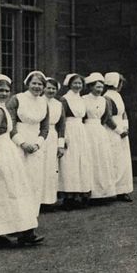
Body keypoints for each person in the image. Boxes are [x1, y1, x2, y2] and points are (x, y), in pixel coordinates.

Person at [0, 74, 43, 247]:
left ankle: (23, 232)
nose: (4, 93)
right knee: (1, 193)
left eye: (6, 90)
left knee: (12, 191)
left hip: (5, 153)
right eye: (0, 90)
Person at [6, 71, 49, 211]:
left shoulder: (44, 102)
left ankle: (31, 214)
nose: (37, 87)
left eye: (40, 84)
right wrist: (22, 143)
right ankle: (17, 214)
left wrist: (37, 144)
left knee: (34, 178)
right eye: (34, 83)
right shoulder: (17, 99)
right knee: (18, 178)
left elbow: (45, 128)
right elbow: (9, 125)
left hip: (36, 144)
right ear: (28, 84)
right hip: (17, 141)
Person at [58, 73, 92, 208]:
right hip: (69, 130)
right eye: (75, 83)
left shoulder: (82, 99)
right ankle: (68, 197)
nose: (77, 86)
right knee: (69, 163)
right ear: (69, 84)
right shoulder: (64, 99)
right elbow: (62, 120)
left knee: (81, 161)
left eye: (80, 83)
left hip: (81, 131)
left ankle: (80, 194)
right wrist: (62, 137)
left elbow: (83, 118)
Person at [83, 72, 116, 199]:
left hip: (100, 131)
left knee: (102, 159)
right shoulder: (84, 99)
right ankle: (90, 191)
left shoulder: (104, 100)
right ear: (91, 87)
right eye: (97, 87)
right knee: (90, 159)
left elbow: (106, 117)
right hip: (87, 130)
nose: (99, 90)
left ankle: (103, 192)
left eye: (101, 87)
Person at [104, 72, 133, 202]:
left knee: (123, 160)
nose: (121, 85)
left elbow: (123, 113)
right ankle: (112, 190)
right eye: (120, 83)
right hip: (112, 131)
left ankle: (123, 190)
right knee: (113, 160)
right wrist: (119, 130)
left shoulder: (118, 96)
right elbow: (108, 118)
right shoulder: (107, 97)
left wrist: (125, 127)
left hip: (122, 130)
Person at [40, 77, 65, 206]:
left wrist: (61, 145)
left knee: (51, 168)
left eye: (53, 88)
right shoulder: (38, 102)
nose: (50, 90)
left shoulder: (58, 104)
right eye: (48, 87)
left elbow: (61, 125)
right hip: (39, 136)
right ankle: (38, 200)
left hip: (53, 136)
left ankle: (49, 200)